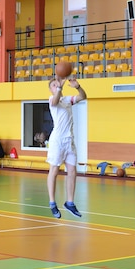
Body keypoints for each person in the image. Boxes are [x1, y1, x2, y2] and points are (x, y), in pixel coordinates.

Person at [46, 75, 87, 219]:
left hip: (69, 140)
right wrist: (60, 86)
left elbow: (83, 96)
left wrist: (77, 86)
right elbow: (56, 99)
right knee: (54, 170)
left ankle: (70, 202)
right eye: (54, 86)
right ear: (52, 89)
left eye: (58, 84)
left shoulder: (67, 100)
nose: (57, 86)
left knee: (72, 171)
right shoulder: (53, 100)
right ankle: (52, 202)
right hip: (57, 141)